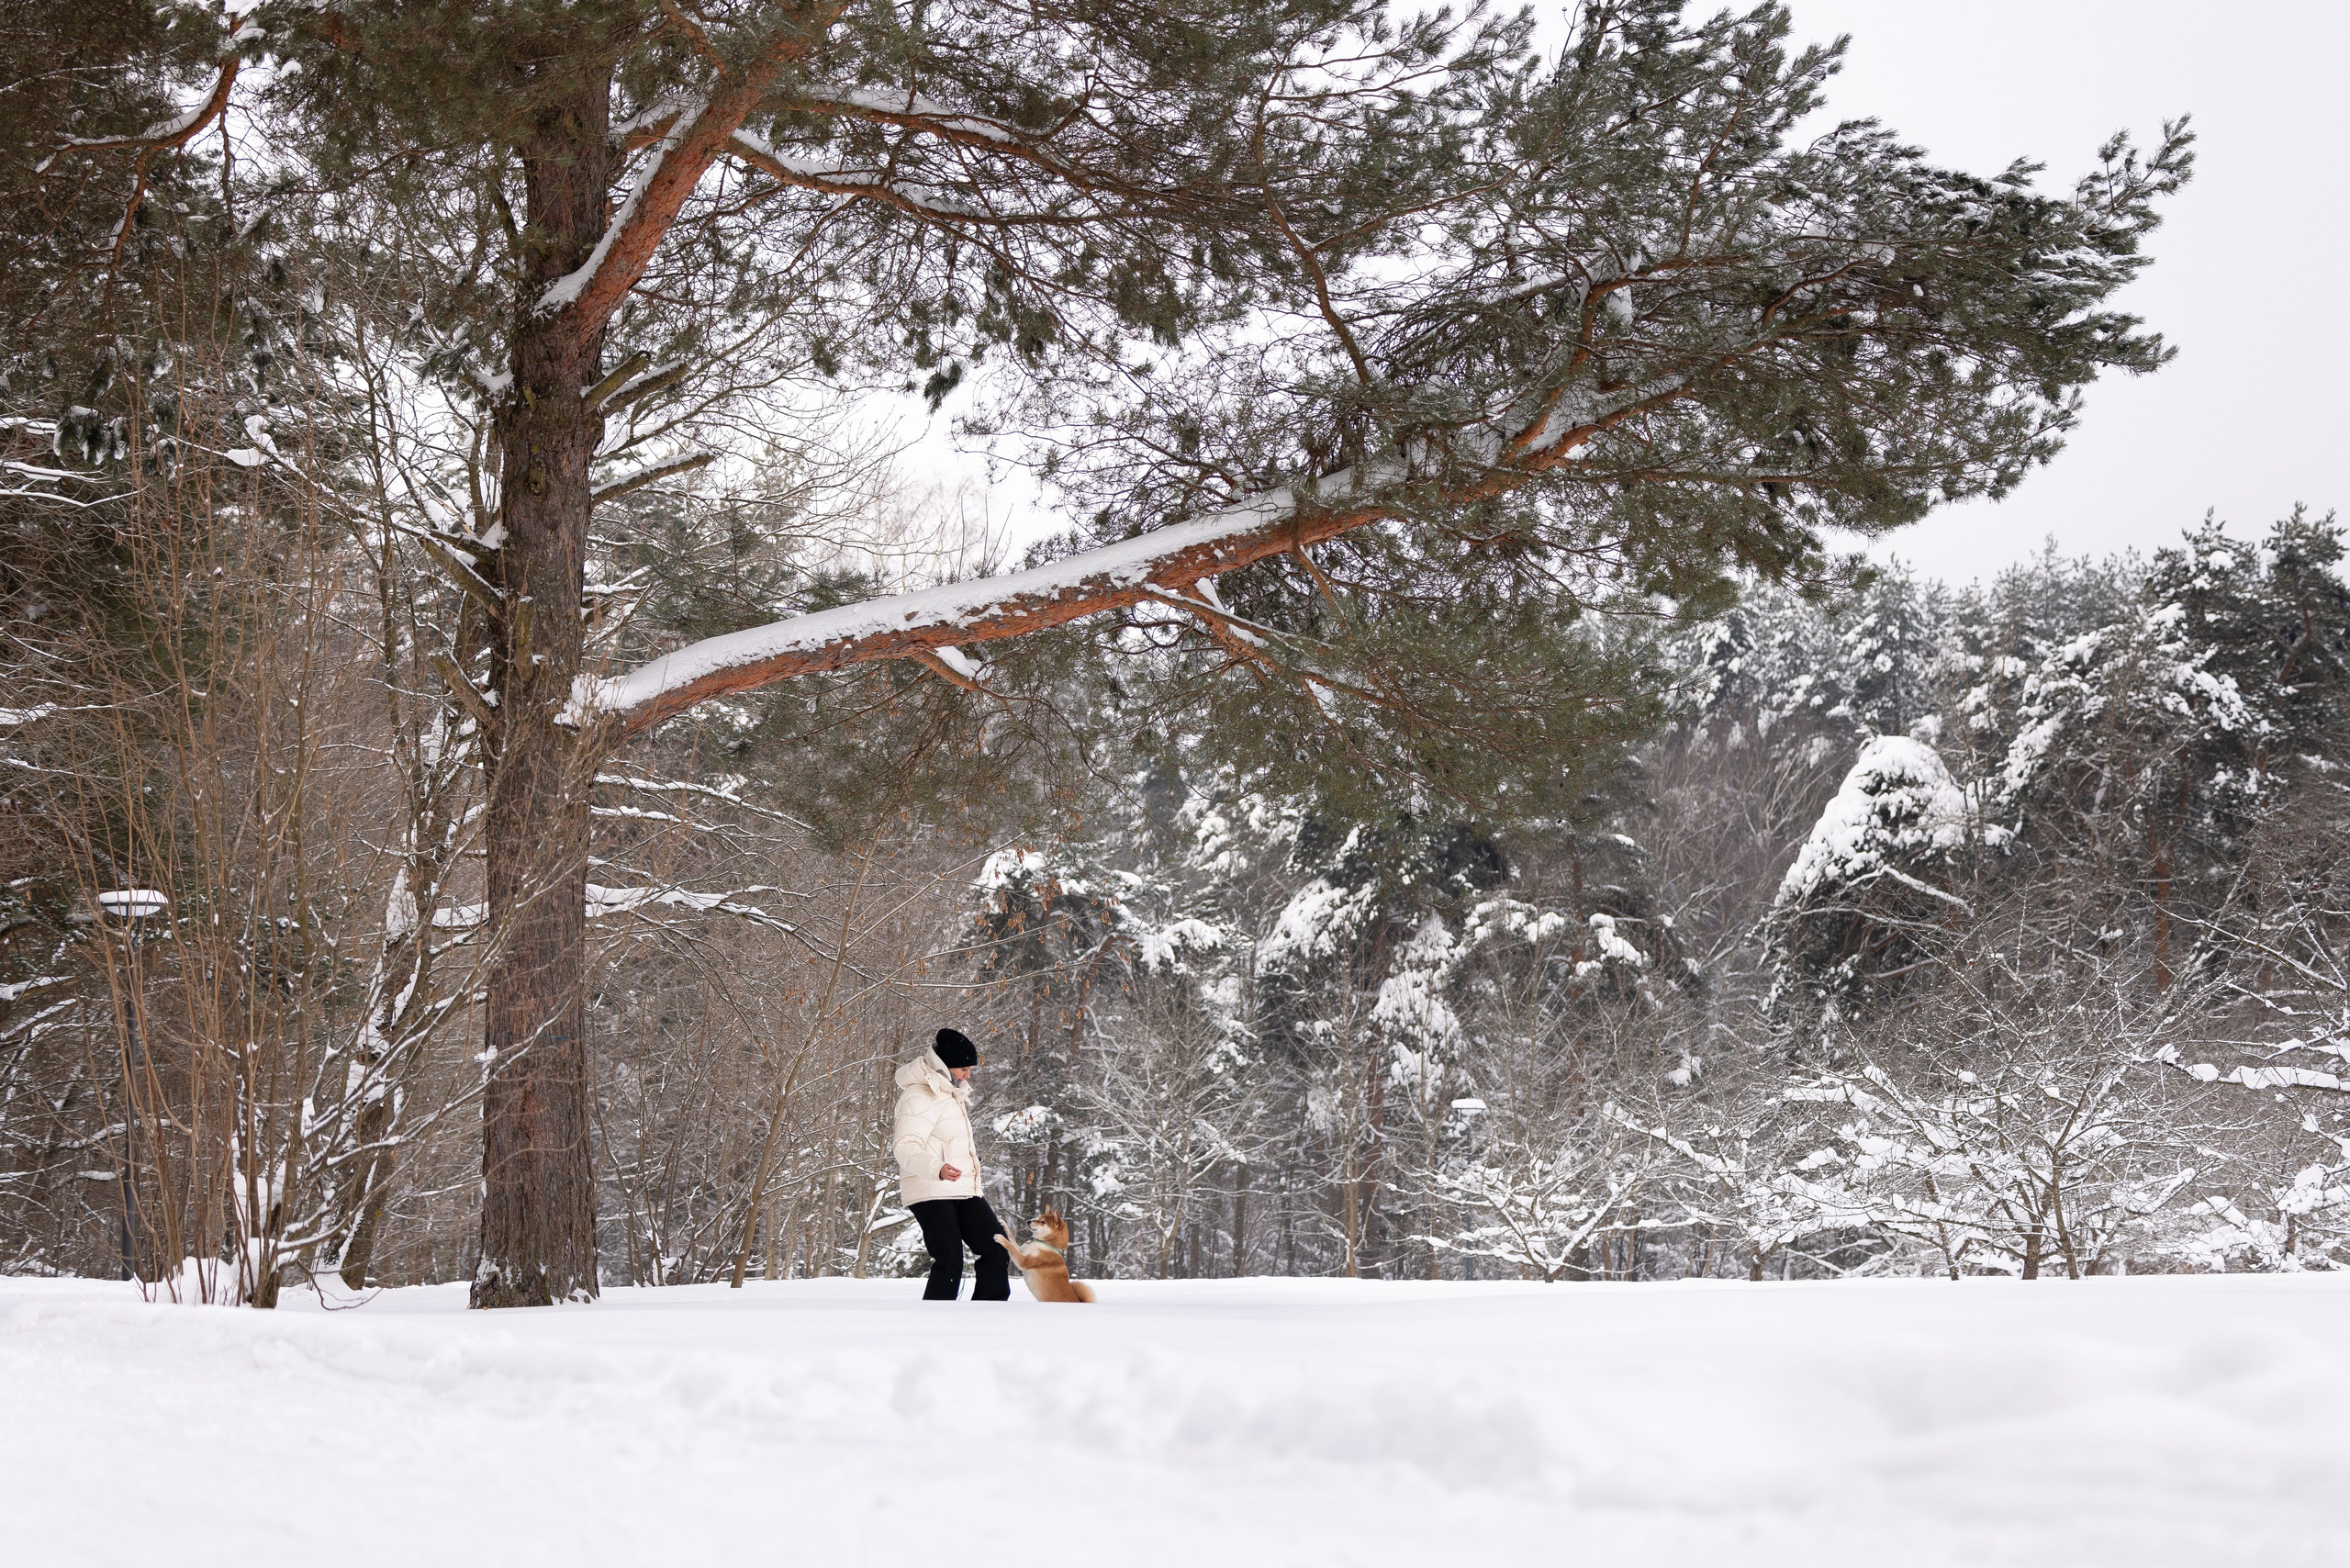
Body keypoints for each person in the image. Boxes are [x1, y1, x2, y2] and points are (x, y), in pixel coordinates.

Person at [891, 1027, 1011, 1301]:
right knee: (950, 1258)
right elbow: (905, 1146)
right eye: (964, 1068)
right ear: (944, 1066)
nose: (968, 1075)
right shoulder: (920, 1096)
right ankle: (936, 1322)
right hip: (930, 1187)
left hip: (963, 1188)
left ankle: (986, 1317)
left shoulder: (950, 1094)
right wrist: (937, 1168)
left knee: (996, 1247)